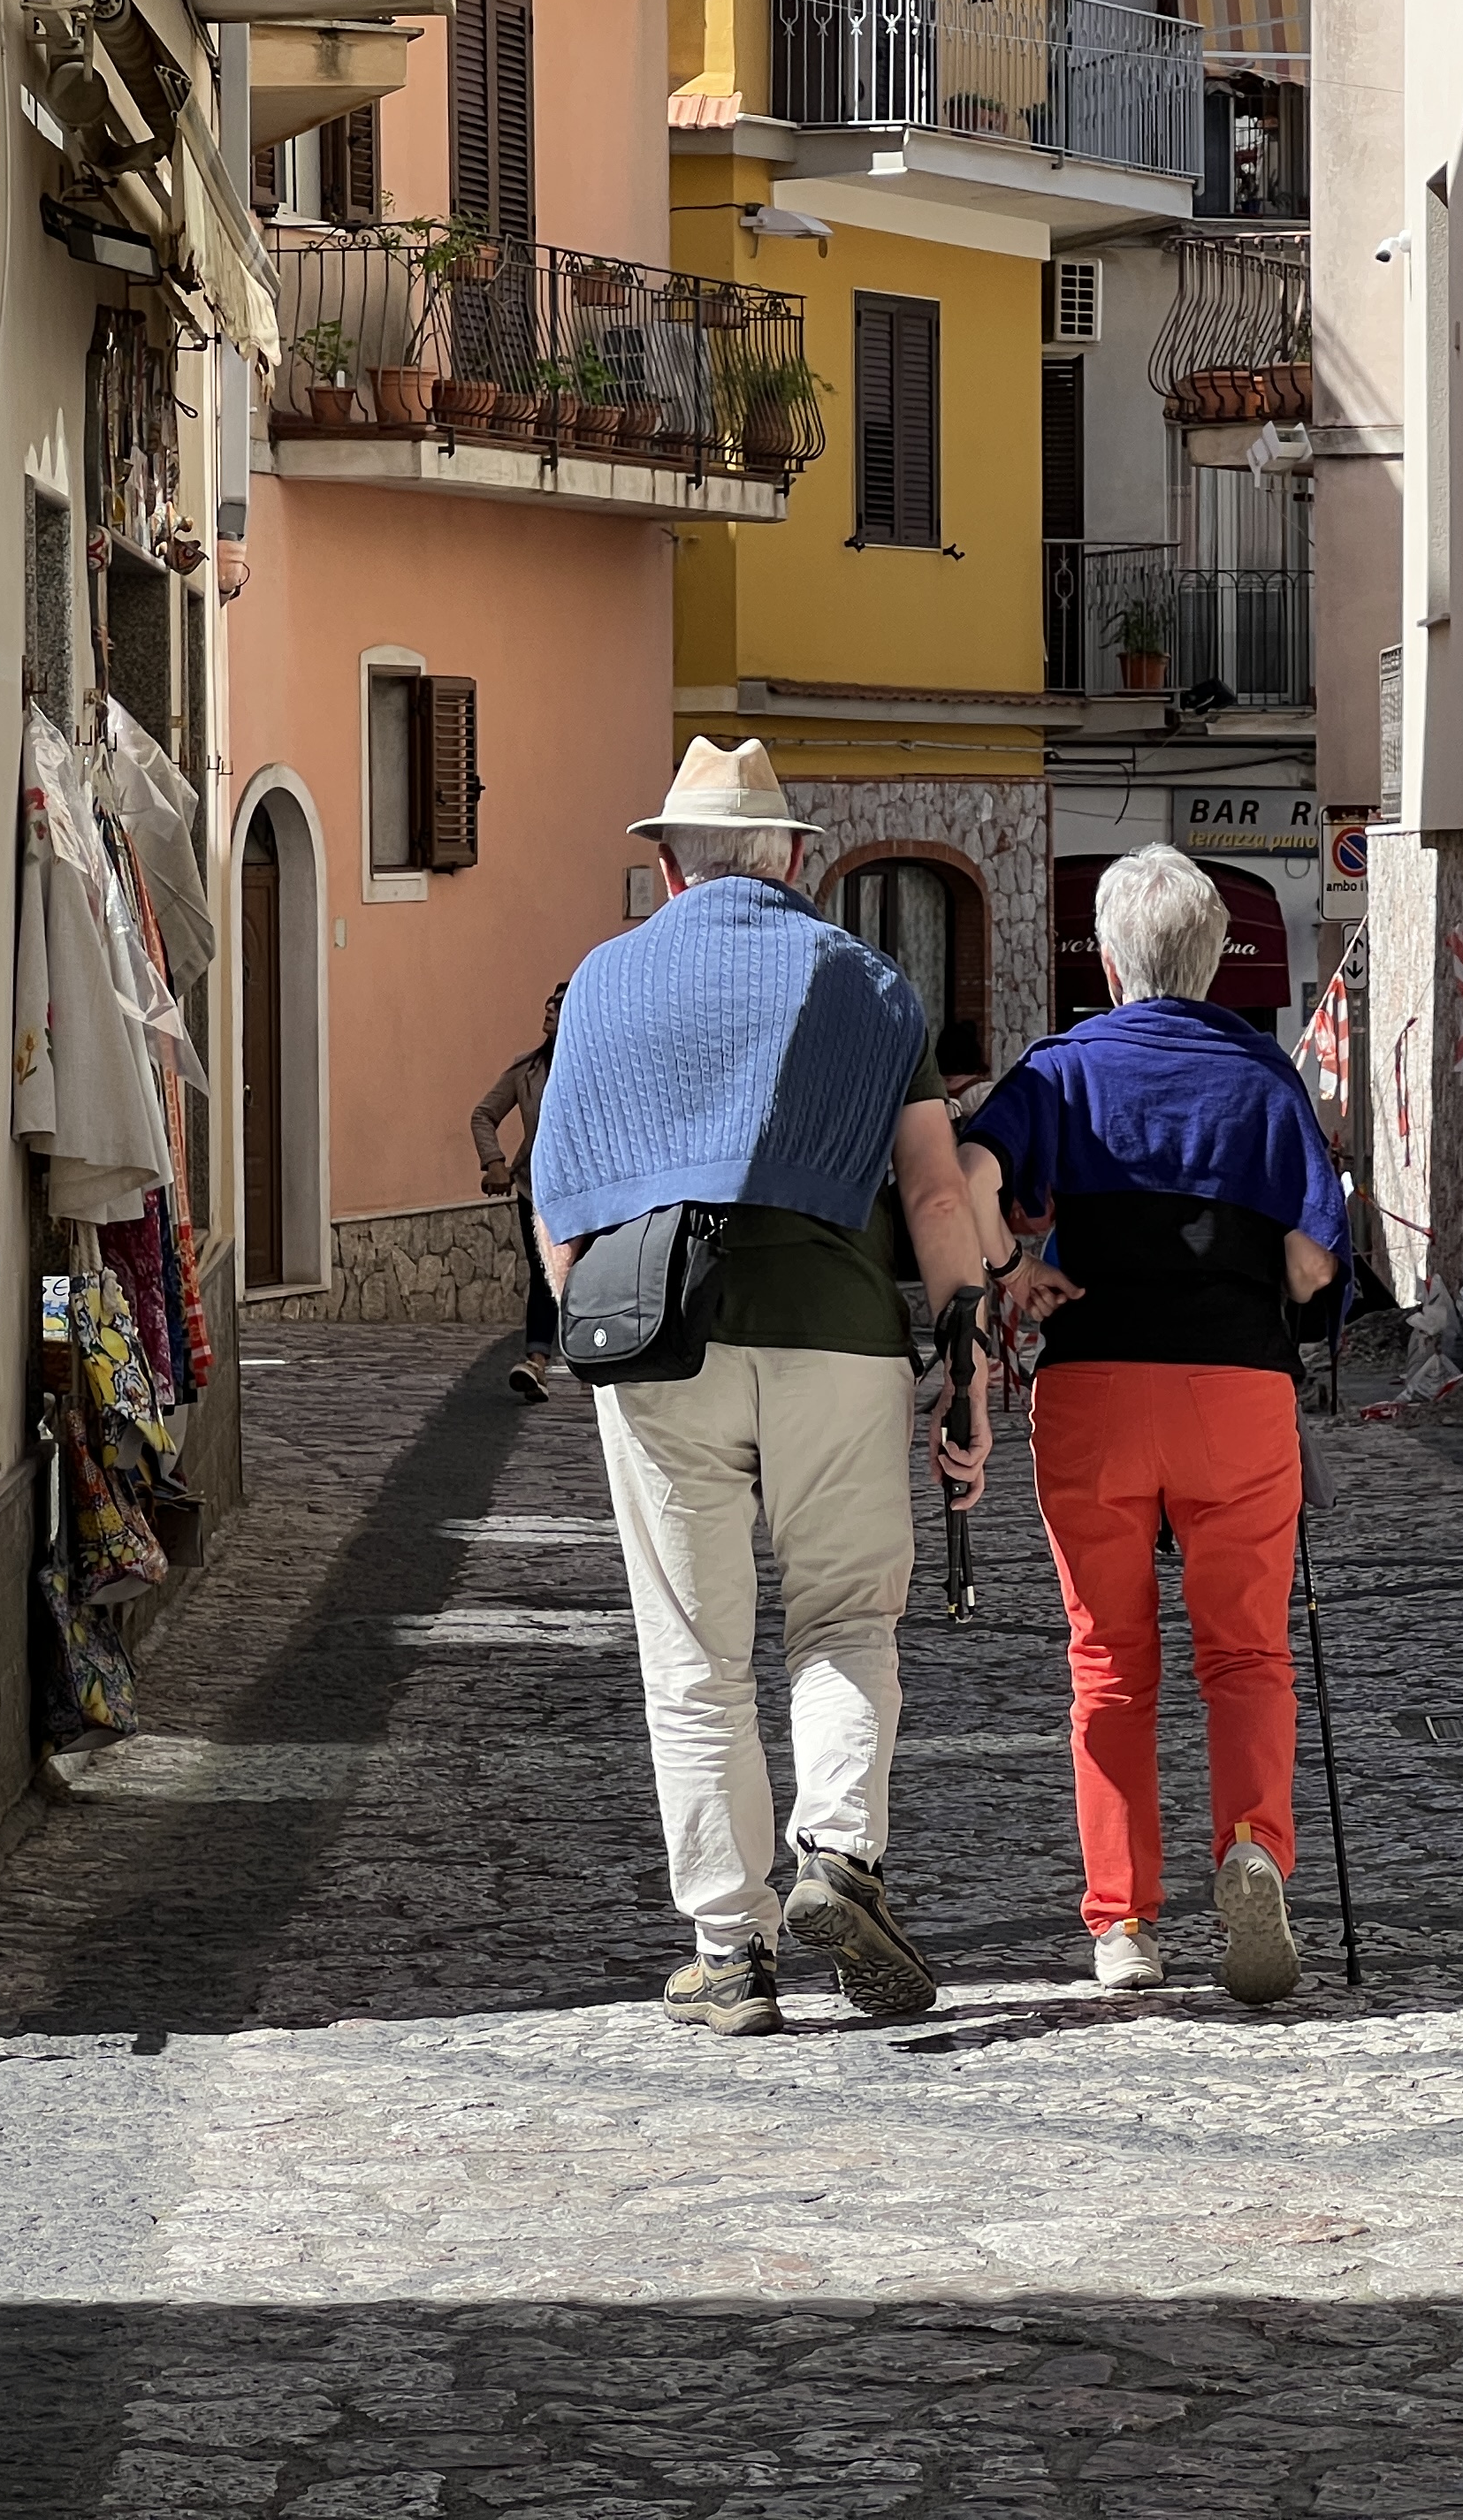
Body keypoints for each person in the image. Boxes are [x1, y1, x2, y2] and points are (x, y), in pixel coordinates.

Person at [531, 738, 996, 2037]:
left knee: (695, 1655)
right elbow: (936, 1189)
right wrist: (969, 1358)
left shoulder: (608, 987)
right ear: (791, 859)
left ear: (669, 869)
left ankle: (730, 1952)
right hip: (839, 1342)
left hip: (660, 1342)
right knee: (846, 1620)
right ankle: (839, 1857)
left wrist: (590, 1341)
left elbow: (556, 1198)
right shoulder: (867, 983)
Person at [961, 844, 1346, 2006]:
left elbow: (975, 1169)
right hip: (1233, 1393)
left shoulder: (1061, 1070)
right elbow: (1315, 1266)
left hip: (1093, 1392)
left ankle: (1123, 1925)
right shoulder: (1265, 1078)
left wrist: (999, 1277)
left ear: (1114, 963)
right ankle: (1253, 1854)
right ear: (1218, 960)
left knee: (1107, 1662)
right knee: (1248, 1651)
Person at [471, 982, 568, 1400]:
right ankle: (537, 1362)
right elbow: (483, 1114)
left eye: (561, 1004)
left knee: (588, 1277)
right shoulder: (526, 1070)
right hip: (536, 1188)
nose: (549, 1006)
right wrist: (494, 1163)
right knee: (547, 1273)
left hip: (590, 1188)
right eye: (550, 999)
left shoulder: (603, 1066)